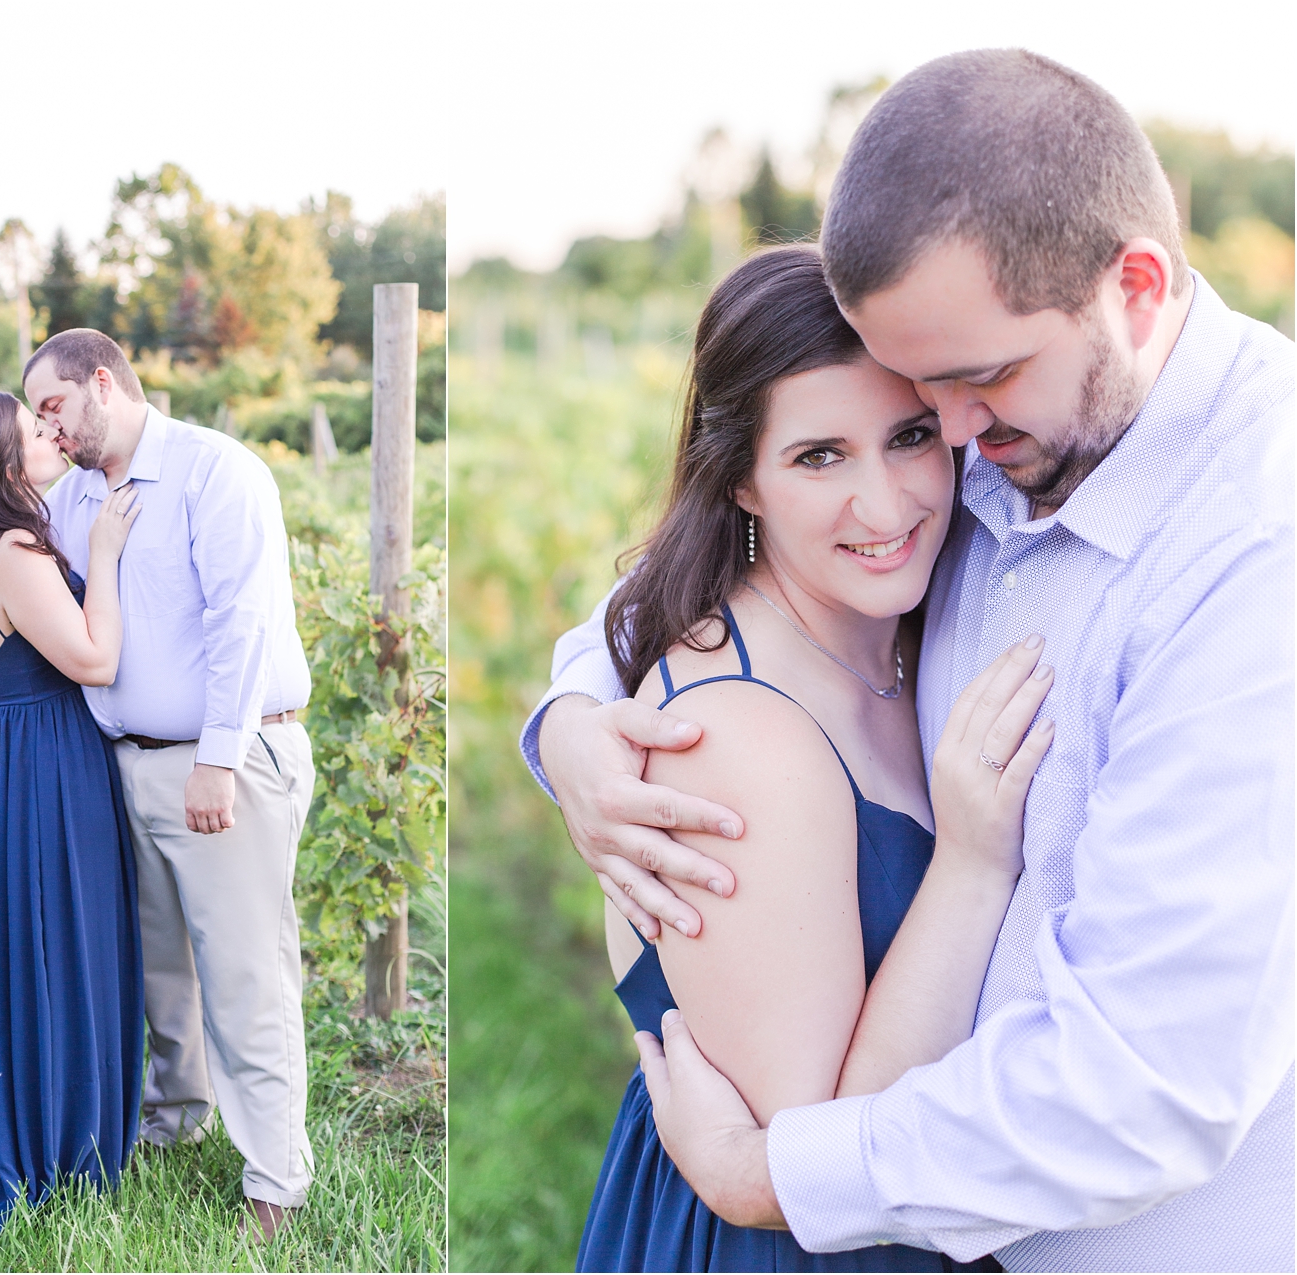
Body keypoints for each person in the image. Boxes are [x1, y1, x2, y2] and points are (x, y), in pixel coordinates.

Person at [524, 49, 1294, 1273]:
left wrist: (762, 1172)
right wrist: (570, 723)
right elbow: (719, 580)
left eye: (969, 386)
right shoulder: (1022, 423)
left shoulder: (1252, 555)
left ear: (1136, 289)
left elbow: (1148, 1082)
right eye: (922, 394)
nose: (947, 443)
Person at [575, 245, 1054, 1273]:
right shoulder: (736, 736)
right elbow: (809, 1158)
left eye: (909, 437)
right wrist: (972, 864)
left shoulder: (903, 623)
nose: (883, 508)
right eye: (817, 457)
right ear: (739, 481)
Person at [0, 328, 315, 1242]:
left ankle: (274, 1179)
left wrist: (219, 758)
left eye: (55, 407)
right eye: (38, 418)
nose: (49, 428)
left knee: (243, 974)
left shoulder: (215, 472)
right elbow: (21, 612)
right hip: (117, 766)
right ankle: (172, 1119)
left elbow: (243, 622)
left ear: (101, 384)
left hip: (219, 757)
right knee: (158, 973)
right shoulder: (72, 501)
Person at [0, 391, 145, 1233]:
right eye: (31, 429)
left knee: (25, 950)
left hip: (7, 763)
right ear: (5, 465)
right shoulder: (16, 547)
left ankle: (35, 1119)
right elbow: (92, 657)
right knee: (57, 946)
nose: (49, 433)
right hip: (43, 768)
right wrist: (106, 553)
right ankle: (56, 1140)